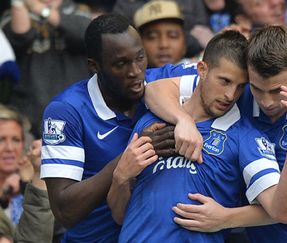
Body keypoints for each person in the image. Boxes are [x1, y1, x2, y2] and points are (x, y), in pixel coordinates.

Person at [145, 25, 287, 242]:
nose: (266, 101)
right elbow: (155, 89)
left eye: (277, 91)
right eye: (257, 88)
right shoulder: (235, 90)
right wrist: (183, 121)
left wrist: (226, 218)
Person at [109, 29, 287, 242]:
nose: (231, 95)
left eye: (241, 87)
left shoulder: (246, 136)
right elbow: (120, 216)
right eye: (224, 81)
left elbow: (282, 211)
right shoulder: (150, 122)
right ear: (202, 70)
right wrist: (120, 178)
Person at [39, 14, 195, 242]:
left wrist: (184, 120)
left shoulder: (163, 82)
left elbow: (220, 74)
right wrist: (128, 159)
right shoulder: (66, 111)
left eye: (140, 58)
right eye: (120, 64)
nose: (135, 72)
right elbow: (65, 212)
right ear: (94, 66)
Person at [1, 0, 93, 136]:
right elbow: (19, 38)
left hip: (76, 111)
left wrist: (41, 10)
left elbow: (86, 34)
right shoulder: (12, 14)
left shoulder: (78, 10)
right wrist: (20, 4)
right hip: (29, 114)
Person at [133, 0, 188, 68]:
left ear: (184, 43)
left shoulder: (199, 72)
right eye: (152, 37)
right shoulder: (130, 76)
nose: (163, 45)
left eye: (173, 36)